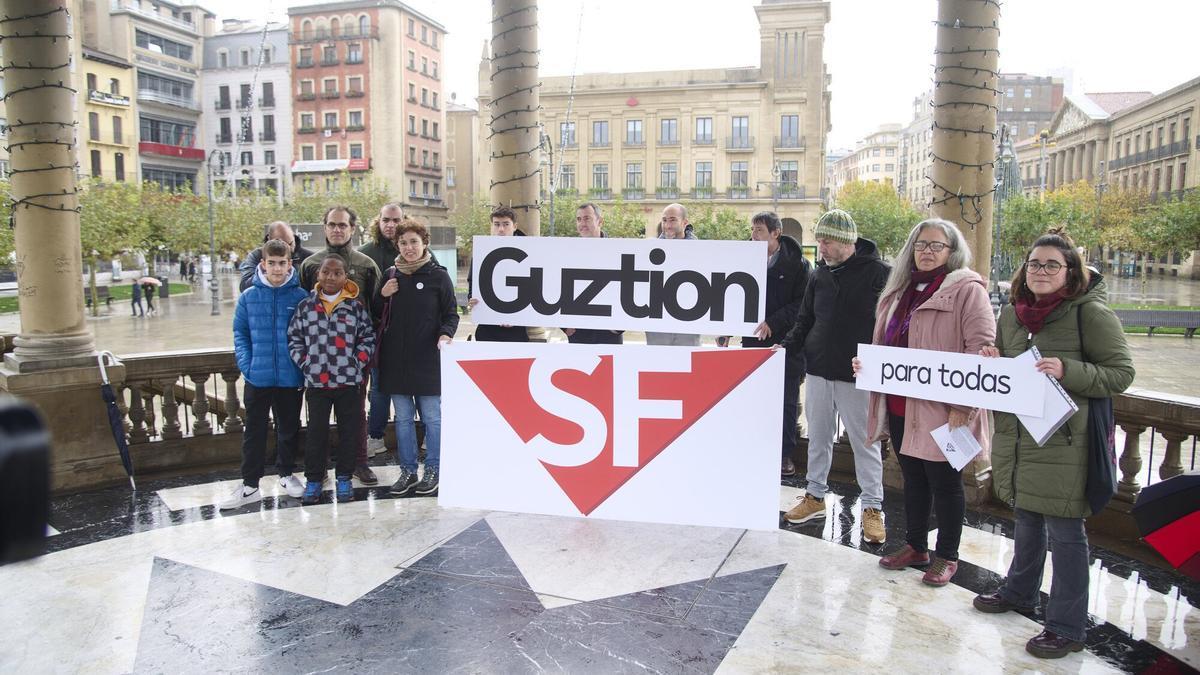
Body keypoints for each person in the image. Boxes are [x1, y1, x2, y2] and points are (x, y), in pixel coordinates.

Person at [973, 229, 1133, 659]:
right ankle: (1019, 591)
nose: (1041, 271)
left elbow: (1120, 373)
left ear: (1070, 272)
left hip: (1067, 443)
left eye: (1052, 265)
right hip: (1021, 437)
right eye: (1035, 264)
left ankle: (1066, 624)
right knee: (1025, 518)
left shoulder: (1091, 314)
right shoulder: (1013, 314)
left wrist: (1068, 370)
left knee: (1065, 533)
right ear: (1024, 270)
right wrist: (994, 359)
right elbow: (1008, 369)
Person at [853, 218, 996, 586]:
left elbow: (980, 349)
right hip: (901, 403)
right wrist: (869, 365)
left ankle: (947, 555)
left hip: (945, 410)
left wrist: (963, 406)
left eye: (936, 245)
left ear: (953, 252)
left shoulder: (967, 290)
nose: (927, 252)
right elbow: (886, 343)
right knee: (912, 478)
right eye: (921, 245)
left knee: (946, 482)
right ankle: (916, 545)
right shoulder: (900, 289)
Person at [778, 209, 890, 543]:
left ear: (846, 241)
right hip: (818, 369)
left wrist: (880, 362)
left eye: (826, 241)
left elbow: (891, 326)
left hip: (858, 374)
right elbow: (805, 319)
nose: (821, 248)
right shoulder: (819, 274)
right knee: (820, 437)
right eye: (820, 241)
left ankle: (872, 507)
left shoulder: (880, 274)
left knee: (864, 441)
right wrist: (783, 349)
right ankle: (814, 497)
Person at [220, 239, 310, 510]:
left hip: (290, 377)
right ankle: (250, 485)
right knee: (254, 432)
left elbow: (309, 336)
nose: (277, 268)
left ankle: (285, 475)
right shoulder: (248, 297)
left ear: (289, 264)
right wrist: (247, 365)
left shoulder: (300, 297)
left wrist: (301, 367)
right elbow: (241, 333)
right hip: (257, 376)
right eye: (272, 263)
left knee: (289, 429)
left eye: (282, 263)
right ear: (263, 264)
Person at [719, 211, 810, 476]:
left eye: (759, 230)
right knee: (755, 399)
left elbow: (802, 304)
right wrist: (726, 328)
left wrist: (774, 321)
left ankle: (784, 455)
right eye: (752, 230)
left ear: (775, 233)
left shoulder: (799, 265)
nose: (754, 235)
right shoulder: (744, 260)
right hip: (752, 341)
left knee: (785, 401)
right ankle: (755, 448)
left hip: (786, 342)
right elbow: (731, 296)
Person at [374, 219, 459, 497]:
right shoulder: (389, 274)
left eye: (413, 242)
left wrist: (446, 334)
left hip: (428, 359)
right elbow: (374, 313)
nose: (408, 248)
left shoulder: (439, 276)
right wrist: (381, 295)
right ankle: (408, 470)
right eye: (403, 243)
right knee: (403, 418)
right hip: (395, 360)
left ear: (425, 243)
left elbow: (451, 313)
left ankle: (433, 468)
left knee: (433, 418)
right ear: (396, 245)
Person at [299, 206, 382, 486]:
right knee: (317, 420)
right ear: (325, 228)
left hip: (353, 357)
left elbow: (376, 308)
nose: (337, 229)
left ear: (352, 228)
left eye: (343, 225)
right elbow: (302, 310)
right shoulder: (311, 265)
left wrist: (362, 356)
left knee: (356, 414)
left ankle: (359, 463)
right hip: (319, 358)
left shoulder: (367, 264)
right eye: (332, 225)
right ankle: (318, 469)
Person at [288, 254, 376, 505]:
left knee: (349, 432)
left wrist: (356, 362)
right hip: (317, 383)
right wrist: (306, 363)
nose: (330, 277)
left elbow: (367, 338)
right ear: (318, 275)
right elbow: (294, 338)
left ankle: (345, 478)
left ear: (345, 277)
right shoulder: (306, 307)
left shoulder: (355, 307)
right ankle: (314, 480)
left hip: (347, 382)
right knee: (316, 433)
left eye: (337, 273)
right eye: (326, 272)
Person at [359, 204, 405, 458]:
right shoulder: (366, 254)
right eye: (386, 220)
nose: (391, 225)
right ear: (378, 222)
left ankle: (417, 435)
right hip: (377, 335)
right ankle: (375, 436)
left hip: (409, 335)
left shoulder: (416, 249)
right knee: (378, 389)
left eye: (396, 220)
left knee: (411, 387)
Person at [562, 202, 624, 345]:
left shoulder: (619, 249)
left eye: (587, 218)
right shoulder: (567, 251)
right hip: (579, 332)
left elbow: (628, 285)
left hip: (609, 332)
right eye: (579, 219)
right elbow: (558, 285)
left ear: (600, 221)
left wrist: (619, 327)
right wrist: (564, 326)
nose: (582, 223)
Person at [467, 207, 530, 342]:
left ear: (515, 226)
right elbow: (472, 285)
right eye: (497, 224)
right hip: (486, 330)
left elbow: (533, 290)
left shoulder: (529, 253)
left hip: (517, 332)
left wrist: (517, 317)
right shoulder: (481, 253)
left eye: (506, 224)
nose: (501, 229)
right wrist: (472, 300)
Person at [645, 203, 701, 347]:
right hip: (658, 327)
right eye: (664, 220)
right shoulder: (648, 250)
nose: (668, 225)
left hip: (688, 324)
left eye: (672, 220)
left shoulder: (701, 251)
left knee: (687, 366)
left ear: (685, 222)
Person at [239, 222, 315, 292]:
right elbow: (244, 286)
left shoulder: (309, 258)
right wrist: (265, 275)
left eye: (290, 244)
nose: (286, 249)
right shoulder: (256, 256)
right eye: (271, 263)